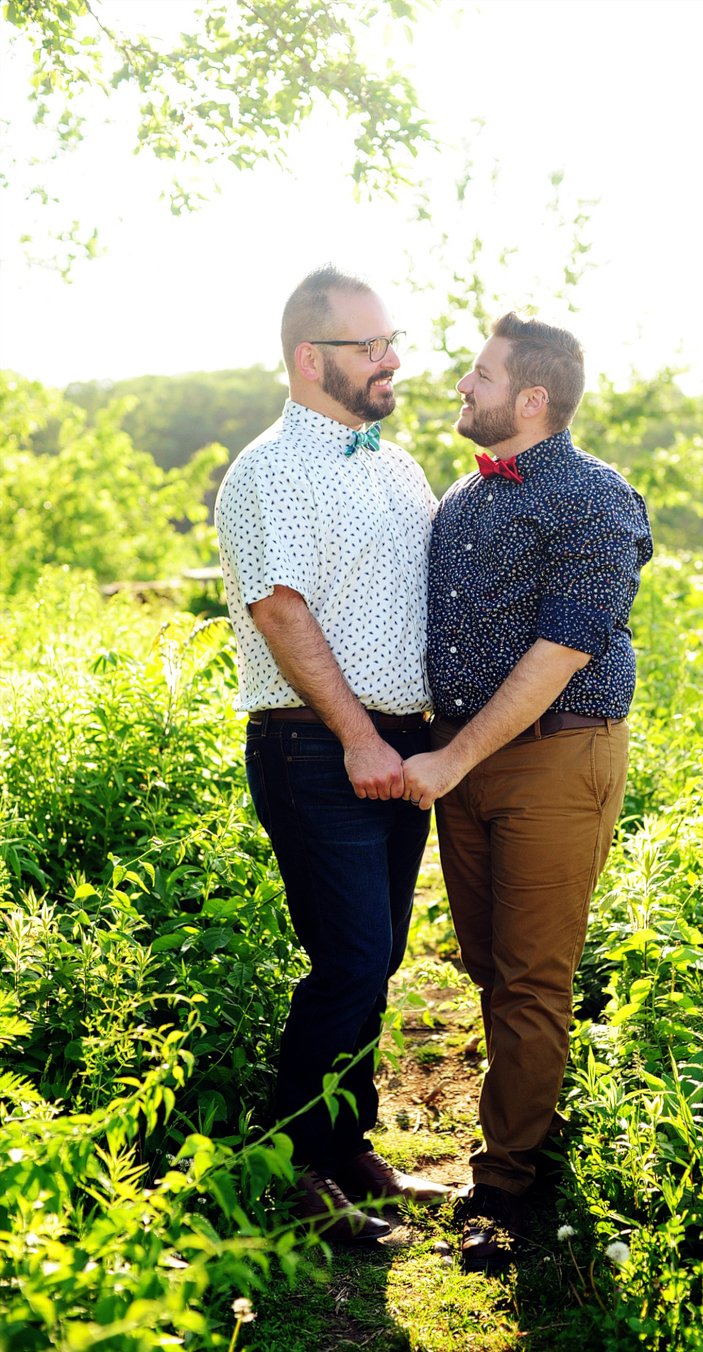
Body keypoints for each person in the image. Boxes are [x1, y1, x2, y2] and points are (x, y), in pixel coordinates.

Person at [401, 312, 653, 1268]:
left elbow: (562, 651)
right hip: (461, 760)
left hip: (554, 754)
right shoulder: (465, 497)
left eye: (479, 376)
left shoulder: (595, 498)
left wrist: (451, 760)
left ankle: (505, 1183)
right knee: (487, 964)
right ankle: (535, 1112)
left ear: (531, 398)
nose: (461, 389)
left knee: (535, 977)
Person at [214, 265, 449, 1241]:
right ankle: (302, 1172)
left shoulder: (394, 465)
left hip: (399, 747)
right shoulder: (272, 468)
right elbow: (280, 608)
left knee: (379, 955)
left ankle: (348, 1147)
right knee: (348, 955)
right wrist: (358, 736)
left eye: (392, 340)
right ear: (310, 359)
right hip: (318, 749)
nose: (392, 359)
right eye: (369, 346)